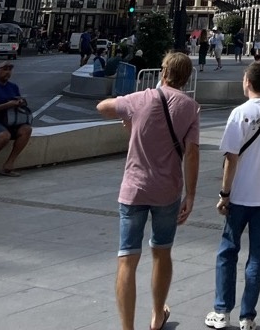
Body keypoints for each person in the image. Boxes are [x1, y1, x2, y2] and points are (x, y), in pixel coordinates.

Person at [97, 51, 200, 330]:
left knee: (127, 259)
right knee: (162, 252)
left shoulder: (140, 99)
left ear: (163, 72)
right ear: (186, 77)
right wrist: (191, 195)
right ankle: (157, 316)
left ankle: (127, 328)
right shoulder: (190, 107)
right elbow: (191, 154)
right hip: (168, 191)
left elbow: (103, 107)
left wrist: (131, 120)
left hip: (133, 190)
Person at [205, 60, 260, 330]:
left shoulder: (239, 113)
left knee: (228, 251)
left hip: (240, 195)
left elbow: (231, 158)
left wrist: (224, 193)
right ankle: (247, 316)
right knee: (258, 256)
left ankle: (221, 311)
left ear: (248, 82)